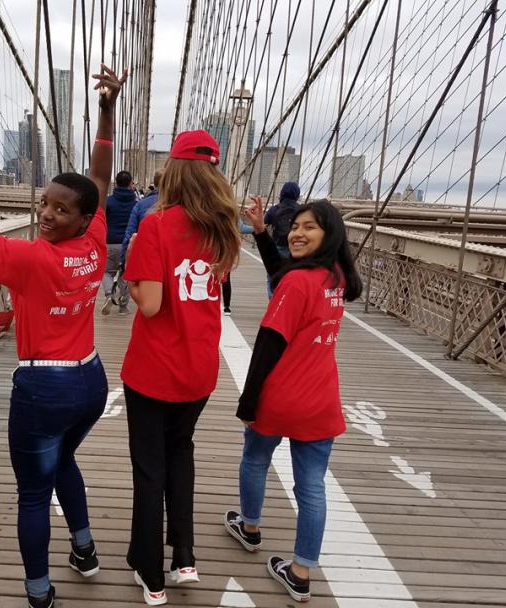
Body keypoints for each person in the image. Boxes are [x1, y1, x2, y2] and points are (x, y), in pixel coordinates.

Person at [0, 64, 127, 608]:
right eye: (44, 203)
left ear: (81, 217)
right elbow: (98, 178)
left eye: (58, 209)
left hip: (43, 390)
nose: (45, 213)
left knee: (31, 494)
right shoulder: (95, 239)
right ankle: (86, 550)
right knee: (64, 461)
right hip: (91, 381)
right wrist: (108, 111)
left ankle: (39, 592)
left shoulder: (29, 260)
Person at [121, 130, 240, 605]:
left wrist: (133, 273)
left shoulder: (155, 225)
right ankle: (183, 557)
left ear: (172, 170)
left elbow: (149, 304)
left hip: (154, 369)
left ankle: (151, 576)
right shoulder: (223, 231)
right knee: (180, 454)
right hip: (199, 370)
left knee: (149, 468)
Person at [223, 200, 362, 603]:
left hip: (281, 396)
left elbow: (268, 344)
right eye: (295, 226)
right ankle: (301, 571)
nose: (297, 233)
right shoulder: (336, 277)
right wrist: (263, 234)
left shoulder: (296, 283)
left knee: (255, 459)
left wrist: (248, 402)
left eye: (309, 228)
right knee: (312, 486)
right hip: (321, 399)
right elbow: (287, 278)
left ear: (329, 234)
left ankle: (249, 528)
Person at [103, 170, 137, 314]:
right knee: (126, 275)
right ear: (130, 184)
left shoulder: (108, 201)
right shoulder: (137, 204)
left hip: (110, 242)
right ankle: (123, 307)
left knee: (106, 272)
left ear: (116, 183)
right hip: (129, 244)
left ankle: (109, 293)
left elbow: (102, 221)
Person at [262, 181, 300, 297]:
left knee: (272, 275)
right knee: (294, 275)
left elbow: (263, 224)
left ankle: (273, 301)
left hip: (277, 246)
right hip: (296, 247)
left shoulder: (274, 209)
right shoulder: (302, 210)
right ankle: (289, 300)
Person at [120, 169, 163, 265]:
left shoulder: (141, 204)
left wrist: (123, 260)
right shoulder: (180, 205)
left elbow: (130, 233)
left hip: (145, 256)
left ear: (154, 185)